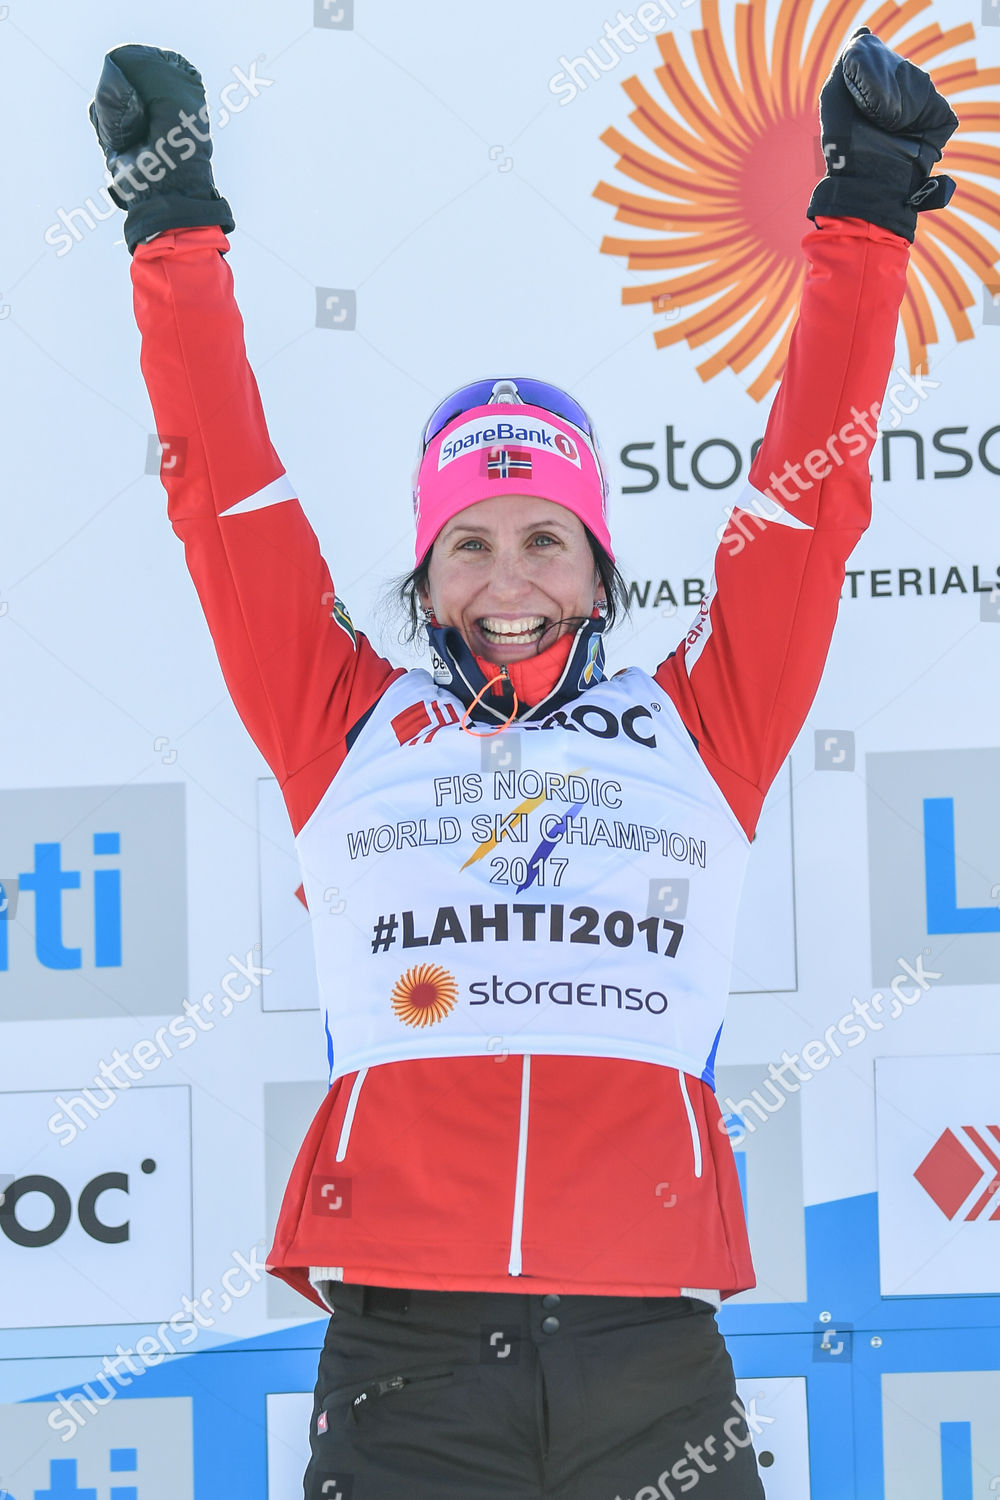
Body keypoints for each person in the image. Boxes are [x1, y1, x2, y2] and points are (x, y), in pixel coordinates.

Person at [90, 32, 957, 1500]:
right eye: (471, 546)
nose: (509, 576)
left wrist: (867, 210)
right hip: (407, 1364)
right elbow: (222, 487)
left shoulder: (705, 728)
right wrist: (171, 229)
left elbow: (812, 495)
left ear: (599, 568)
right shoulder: (341, 724)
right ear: (427, 583)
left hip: (652, 1360)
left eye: (545, 537)